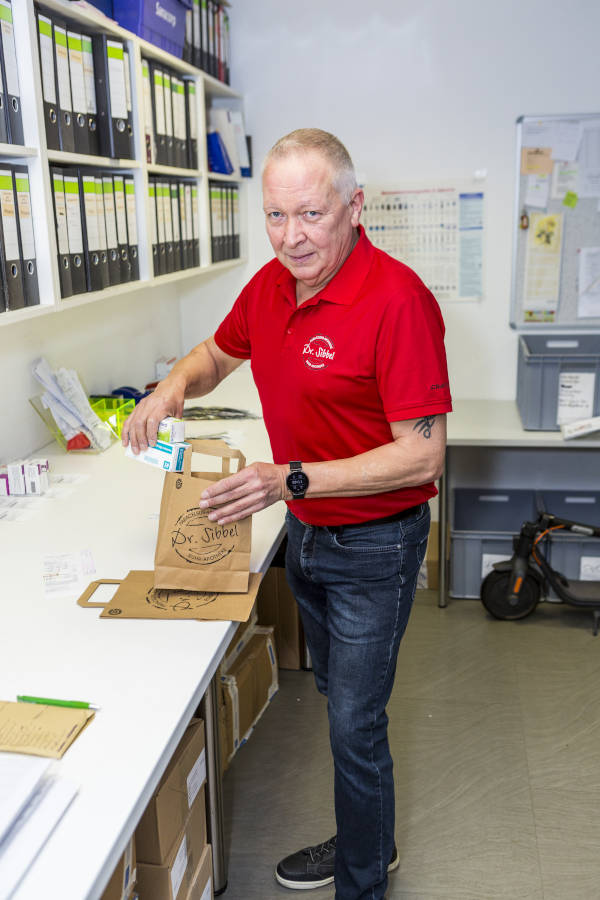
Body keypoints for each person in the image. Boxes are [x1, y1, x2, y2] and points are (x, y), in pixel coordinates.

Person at [122, 128, 452, 900]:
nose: (291, 236)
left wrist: (289, 479)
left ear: (353, 206)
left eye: (310, 214)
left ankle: (363, 880)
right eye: (274, 215)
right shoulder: (271, 286)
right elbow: (215, 353)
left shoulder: (398, 301)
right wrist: (174, 386)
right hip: (308, 532)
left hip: (376, 542)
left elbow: (422, 456)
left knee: (353, 726)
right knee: (342, 704)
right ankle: (370, 837)